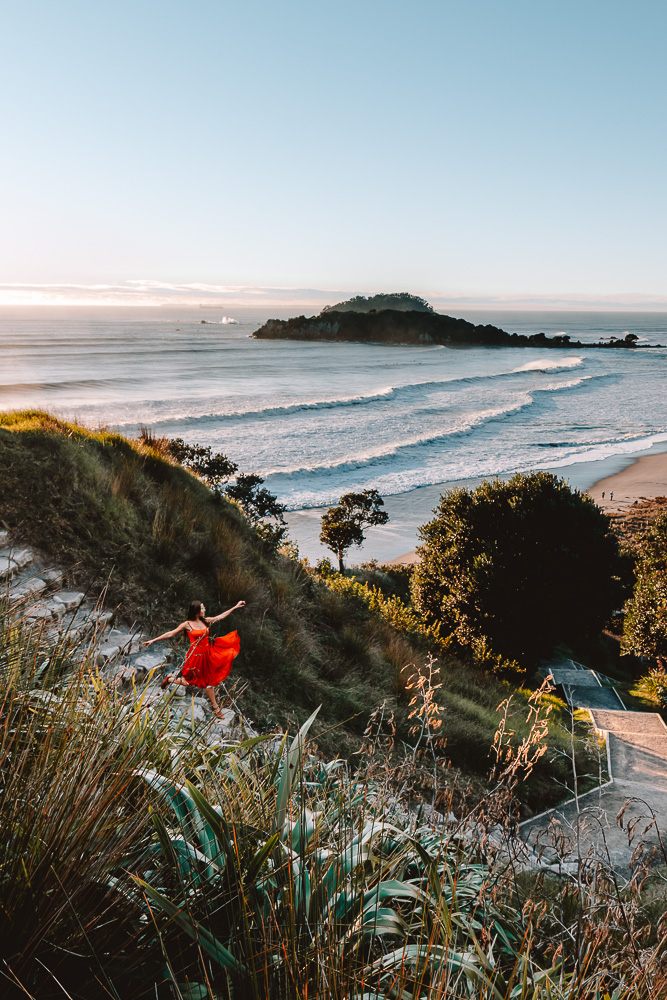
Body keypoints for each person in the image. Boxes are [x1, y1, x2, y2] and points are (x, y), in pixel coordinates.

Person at [143, 599, 245, 718]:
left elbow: (220, 616)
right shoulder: (187, 624)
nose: (204, 610)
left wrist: (235, 606)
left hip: (208, 654)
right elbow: (171, 633)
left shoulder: (205, 621)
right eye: (202, 608)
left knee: (209, 682)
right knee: (189, 683)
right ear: (196, 610)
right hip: (195, 656)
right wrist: (153, 640)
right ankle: (170, 679)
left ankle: (215, 707)